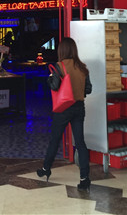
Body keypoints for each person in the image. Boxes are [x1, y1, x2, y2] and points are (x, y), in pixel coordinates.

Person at [37, 37, 92, 191]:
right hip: (79, 107)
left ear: (61, 50)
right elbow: (88, 89)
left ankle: (46, 169)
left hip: (63, 108)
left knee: (55, 140)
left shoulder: (59, 66)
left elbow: (55, 86)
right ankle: (84, 178)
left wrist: (49, 80)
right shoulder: (82, 67)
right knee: (80, 143)